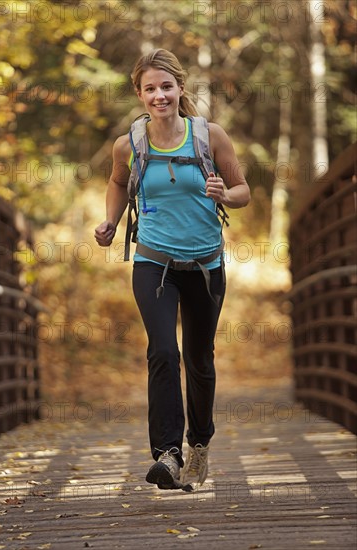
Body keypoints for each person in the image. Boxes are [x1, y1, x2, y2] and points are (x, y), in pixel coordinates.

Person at [95, 48, 250, 491]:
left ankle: (199, 442)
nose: (159, 95)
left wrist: (224, 193)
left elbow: (243, 192)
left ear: (180, 89)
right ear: (140, 95)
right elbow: (118, 182)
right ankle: (168, 452)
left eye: (166, 86)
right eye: (150, 89)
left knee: (199, 360)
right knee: (163, 351)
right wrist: (111, 220)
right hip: (153, 260)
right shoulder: (130, 144)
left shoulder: (209, 137)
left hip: (205, 264)